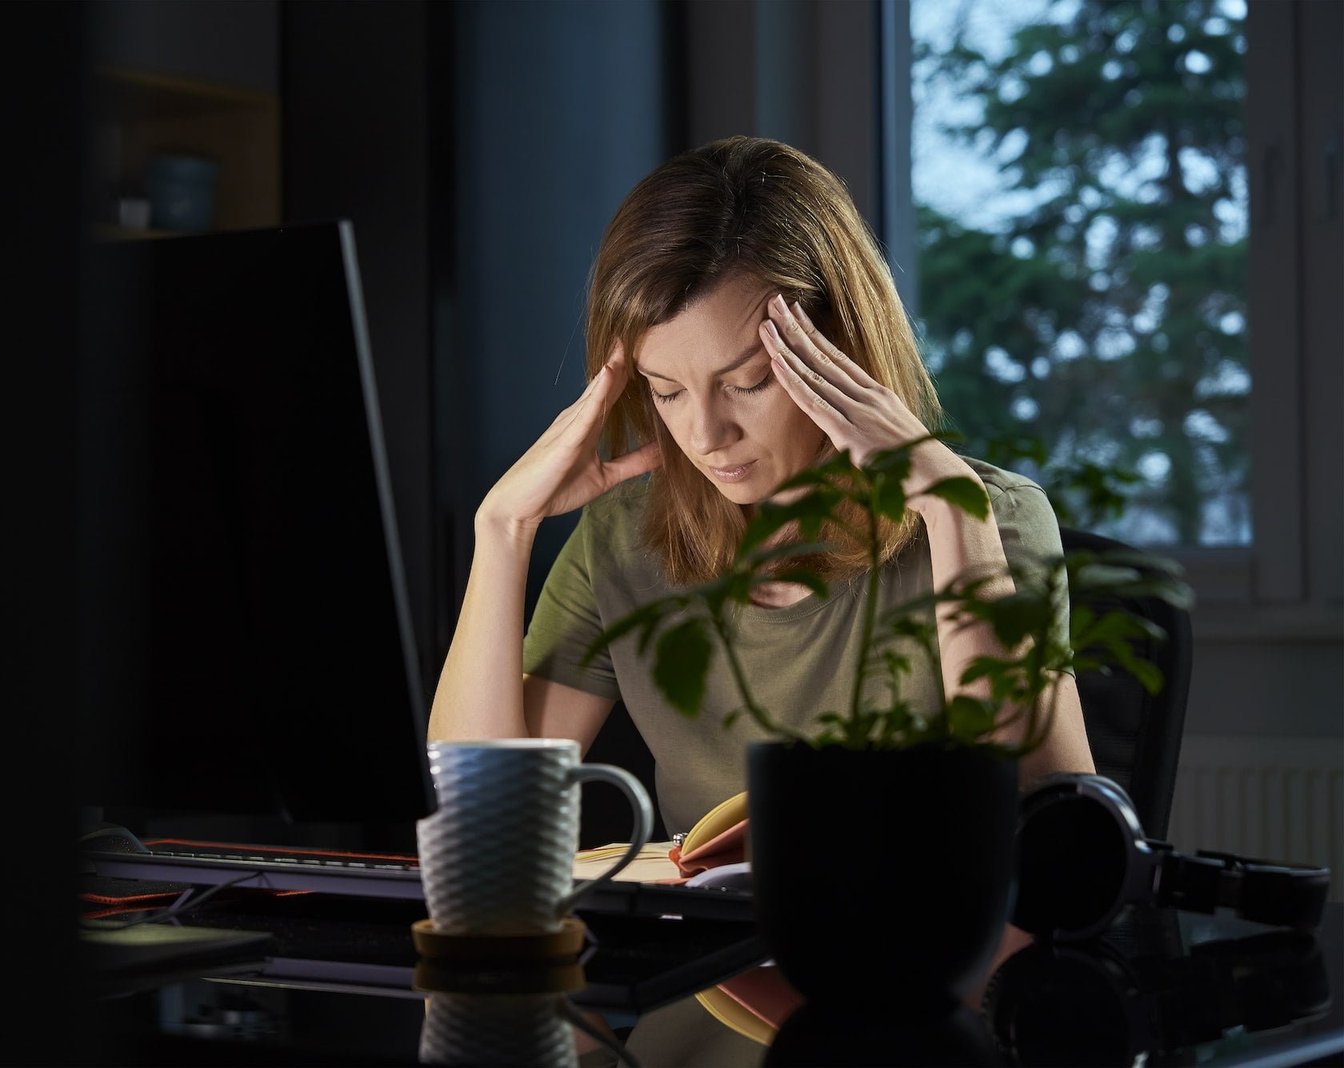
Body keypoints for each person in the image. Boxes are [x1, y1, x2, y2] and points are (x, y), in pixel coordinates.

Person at [427, 135, 1095, 839]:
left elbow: (1053, 841)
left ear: (842, 348)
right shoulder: (624, 533)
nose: (707, 434)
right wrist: (501, 530)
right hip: (714, 945)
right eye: (667, 391)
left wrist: (954, 519)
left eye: (747, 383)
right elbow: (486, 818)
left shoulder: (995, 519)